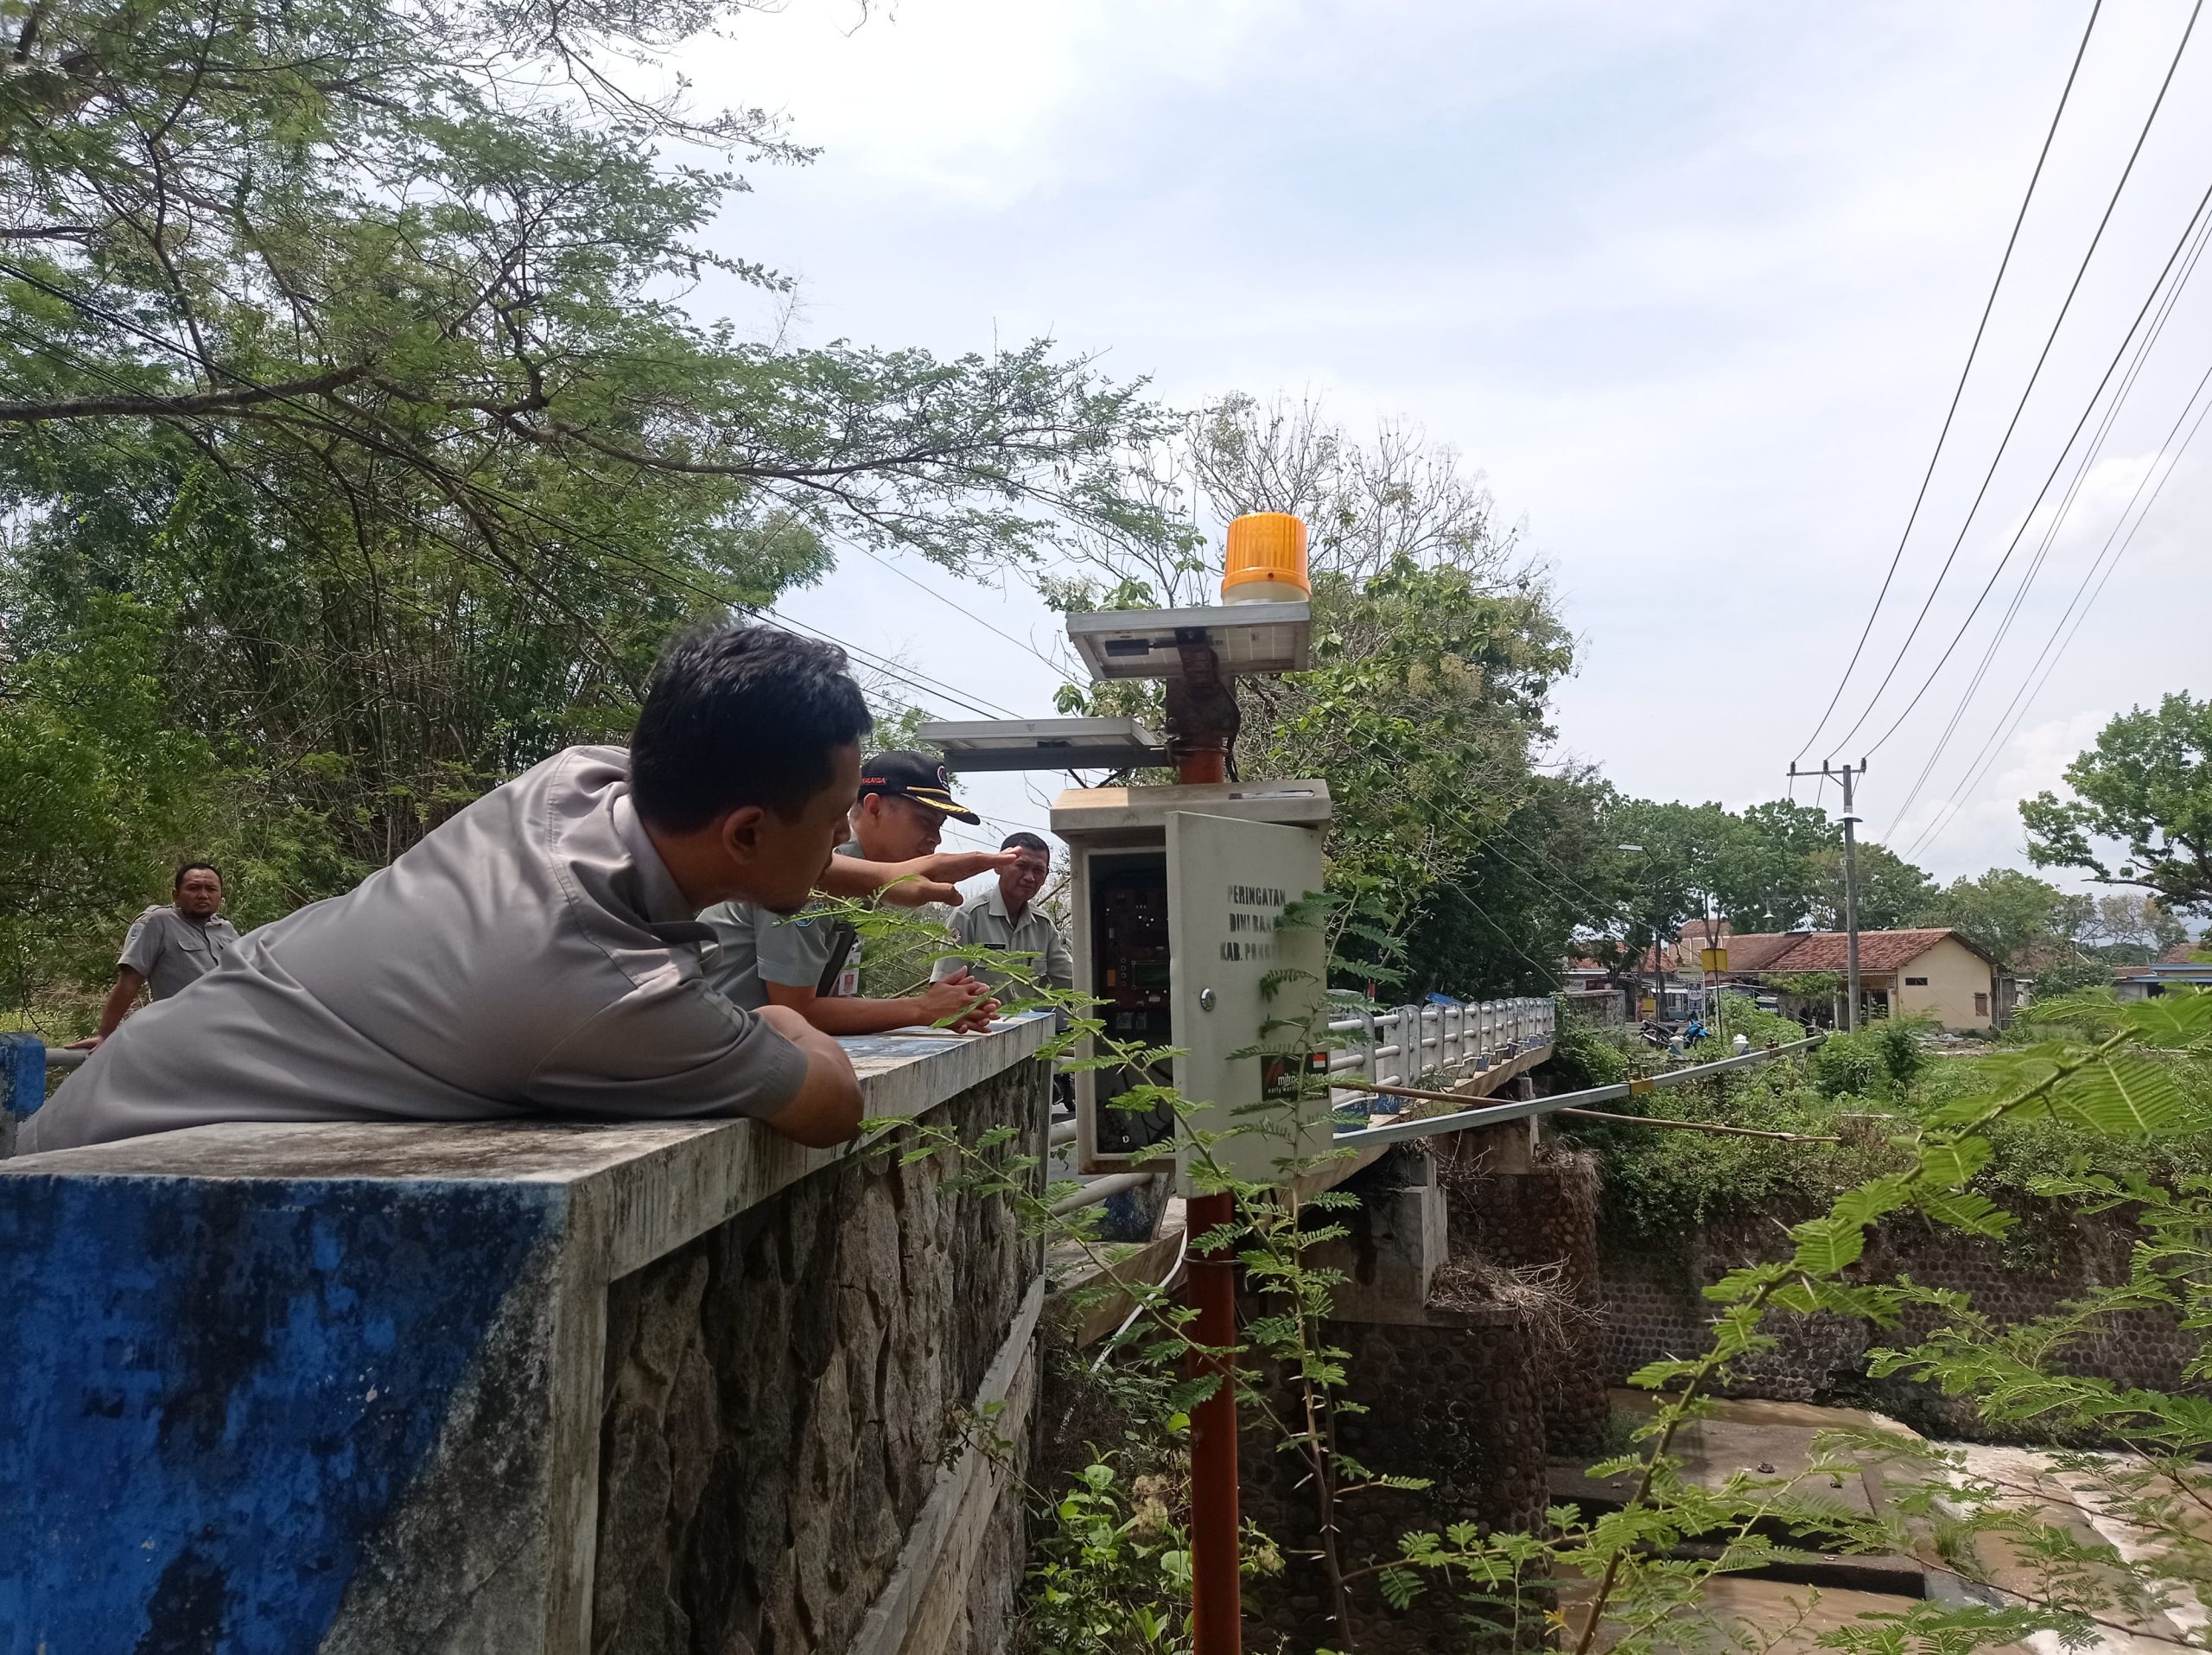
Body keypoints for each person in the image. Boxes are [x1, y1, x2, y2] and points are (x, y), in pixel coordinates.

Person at [21, 625, 913, 1155]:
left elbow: (763, 852)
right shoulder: (612, 995)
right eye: (837, 815)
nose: (841, 836)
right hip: (94, 1179)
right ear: (749, 831)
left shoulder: (577, 779)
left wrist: (883, 876)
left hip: (121, 1087)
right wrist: (783, 1022)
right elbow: (829, 1109)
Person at [700, 751, 999, 1035]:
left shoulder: (861, 881)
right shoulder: (815, 873)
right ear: (874, 807)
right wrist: (922, 1008)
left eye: (940, 826)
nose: (935, 838)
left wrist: (936, 1007)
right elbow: (793, 1010)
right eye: (925, 821)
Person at [68, 863, 239, 1051]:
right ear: (176, 895)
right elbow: (129, 981)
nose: (203, 895)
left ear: (220, 896)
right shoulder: (158, 921)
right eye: (193, 888)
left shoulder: (226, 930)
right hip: (181, 1038)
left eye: (211, 889)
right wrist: (105, 1034)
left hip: (228, 1037)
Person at [946, 832, 1074, 1004]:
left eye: (1038, 870)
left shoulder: (1043, 926)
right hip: (980, 1027)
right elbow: (945, 990)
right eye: (1022, 866)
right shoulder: (968, 917)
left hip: (1029, 1027)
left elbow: (1072, 981)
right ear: (998, 866)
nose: (1030, 877)